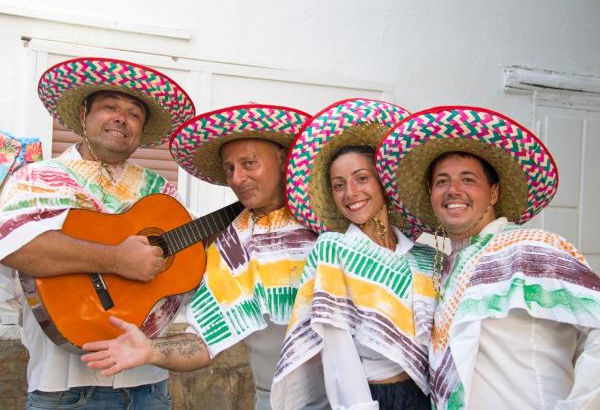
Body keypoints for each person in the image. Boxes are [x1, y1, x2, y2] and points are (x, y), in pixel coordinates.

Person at [81, 103, 330, 410]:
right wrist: (151, 351)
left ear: (282, 160)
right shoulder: (231, 248)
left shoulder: (331, 224)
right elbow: (204, 342)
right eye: (230, 169)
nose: (238, 179)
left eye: (249, 163)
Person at [0, 57, 196, 409]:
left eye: (134, 113)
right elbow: (14, 247)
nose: (122, 118)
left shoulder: (161, 193)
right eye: (110, 107)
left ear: (142, 129)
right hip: (61, 389)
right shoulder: (35, 178)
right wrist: (117, 259)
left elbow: (192, 266)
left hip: (149, 387)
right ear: (84, 114)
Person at [376, 105, 600, 409]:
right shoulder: (444, 269)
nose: (453, 190)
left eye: (468, 179)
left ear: (493, 193)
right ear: (431, 193)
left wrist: (582, 405)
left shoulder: (530, 247)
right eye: (442, 181)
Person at [271, 98, 437, 410]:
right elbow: (337, 349)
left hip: (428, 399)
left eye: (362, 178)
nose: (351, 193)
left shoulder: (424, 258)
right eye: (338, 185)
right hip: (374, 398)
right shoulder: (334, 250)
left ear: (383, 182)